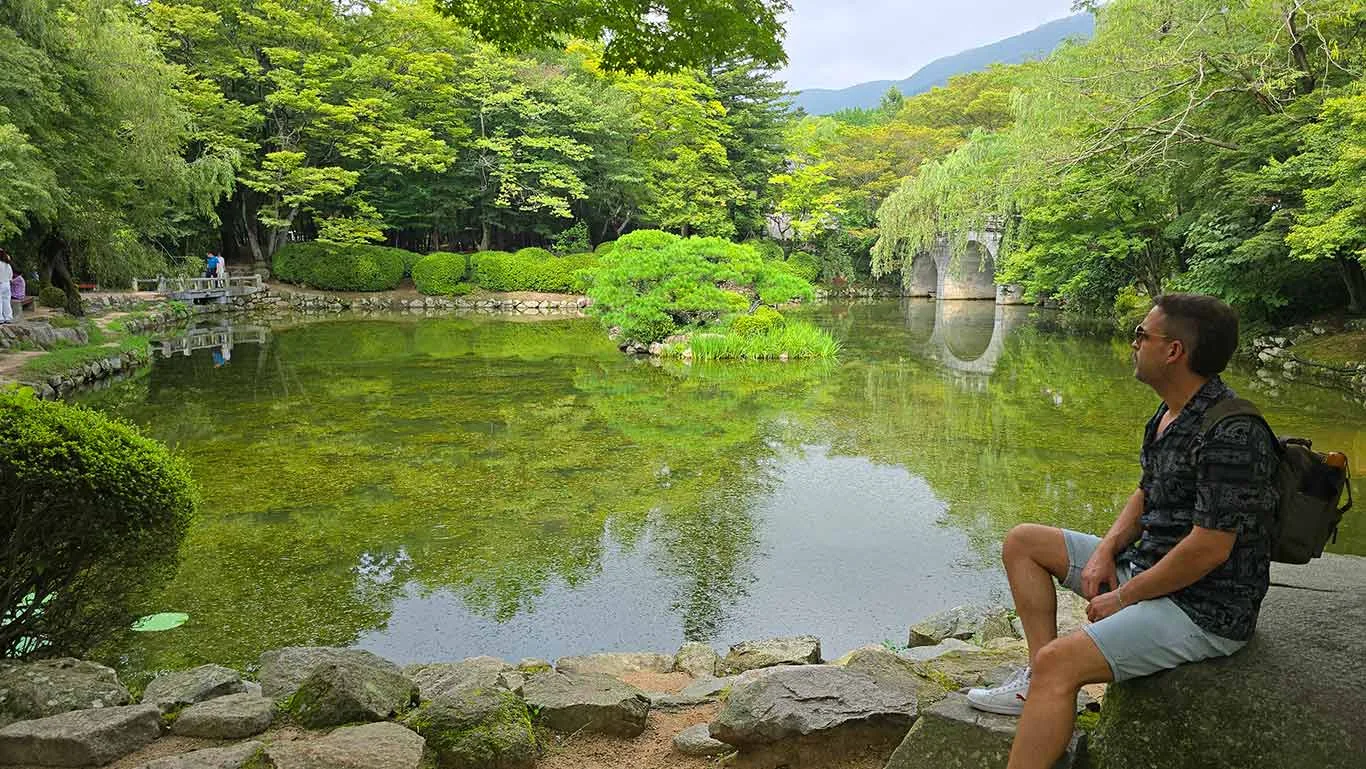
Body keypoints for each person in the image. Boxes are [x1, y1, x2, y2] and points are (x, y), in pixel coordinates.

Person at [965, 293, 1279, 769]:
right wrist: (1106, 551)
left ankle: (1048, 683)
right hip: (1150, 568)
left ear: (1174, 351)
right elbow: (1147, 492)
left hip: (1204, 606)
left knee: (1060, 663)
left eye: (1141, 335)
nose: (1133, 344)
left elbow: (1209, 549)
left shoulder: (1231, 431)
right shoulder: (1170, 411)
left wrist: (1125, 598)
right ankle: (1035, 684)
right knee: (1023, 542)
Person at [0, 249, 14, 324]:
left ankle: (0, 318)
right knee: (6, 301)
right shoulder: (7, 265)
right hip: (7, 284)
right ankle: (8, 317)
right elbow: (10, 276)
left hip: (1, 283)